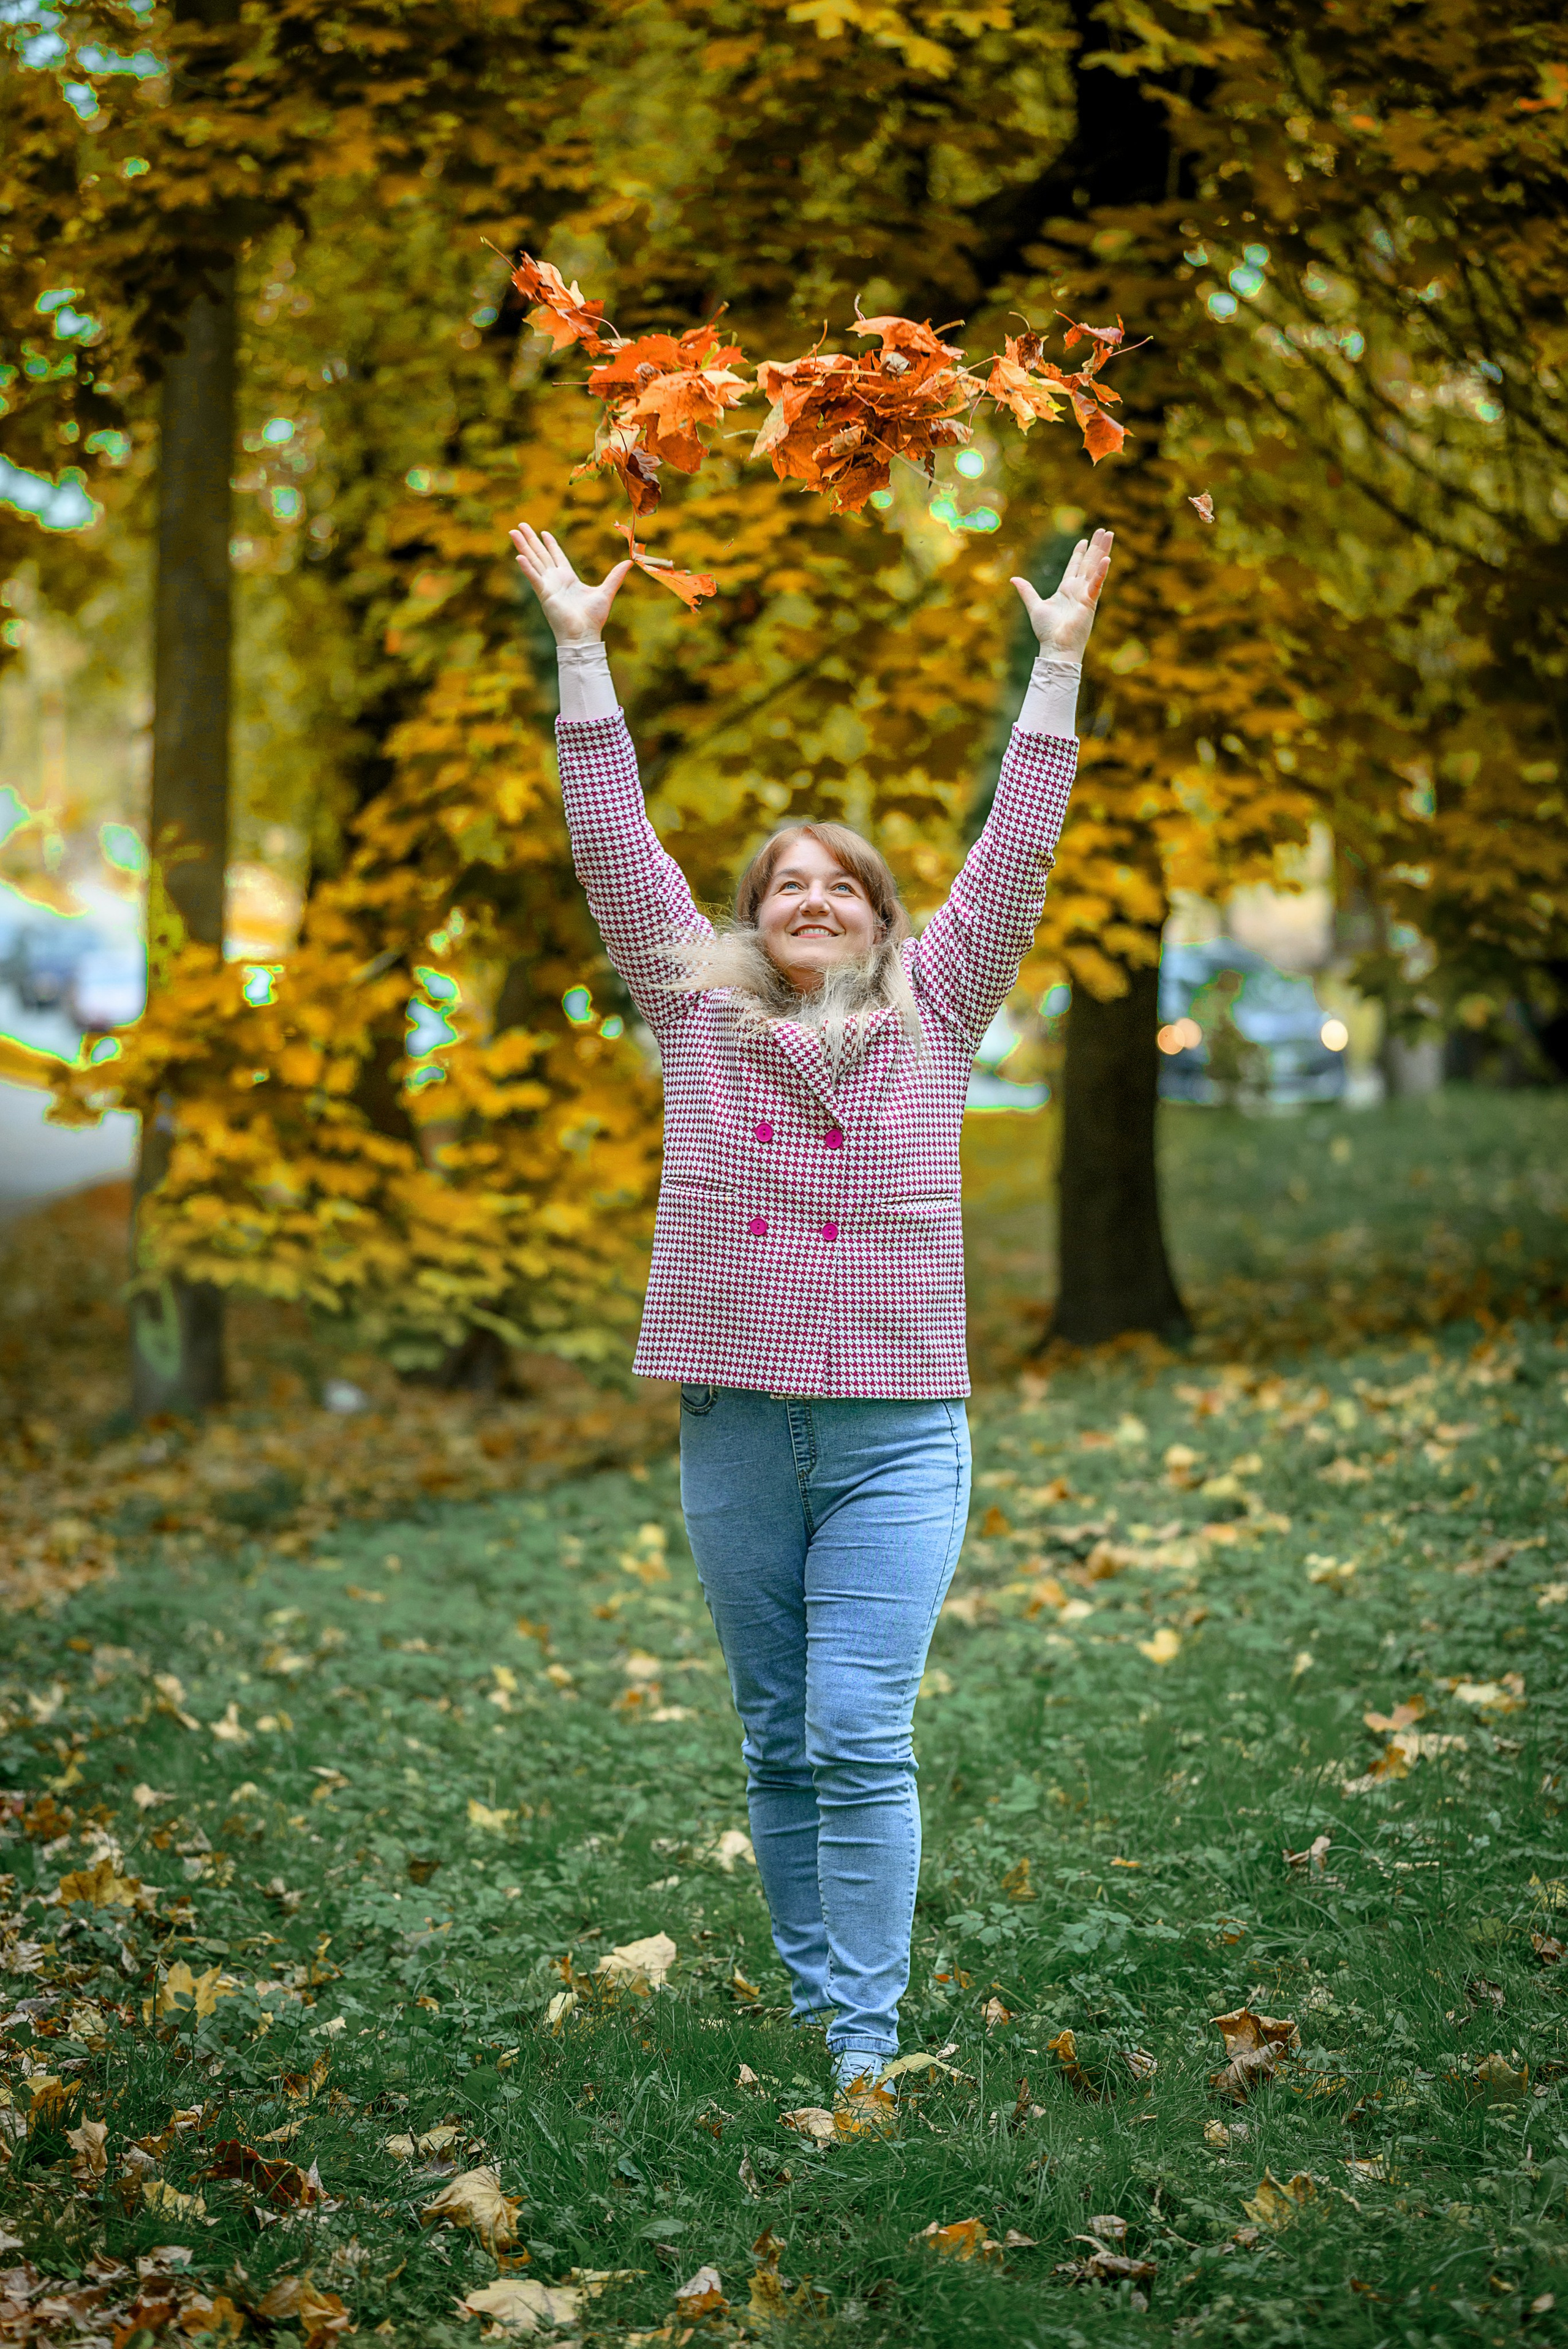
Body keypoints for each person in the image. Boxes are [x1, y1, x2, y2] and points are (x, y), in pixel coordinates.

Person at [511, 516, 1114, 2094]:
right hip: (735, 1428)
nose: (812, 899)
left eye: (841, 884)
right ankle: (806, 1999)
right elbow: (609, 843)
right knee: (775, 1732)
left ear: (882, 916)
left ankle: (863, 2041)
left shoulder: (939, 1009)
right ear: (746, 918)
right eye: (784, 884)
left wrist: (1053, 668)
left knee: (857, 1725)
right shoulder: (693, 1016)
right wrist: (581, 652)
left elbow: (1016, 848)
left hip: (896, 1434)